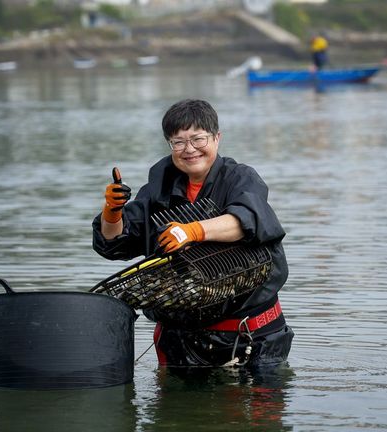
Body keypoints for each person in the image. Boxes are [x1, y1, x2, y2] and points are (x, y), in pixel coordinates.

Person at [92, 99, 293, 368]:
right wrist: (112, 213)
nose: (189, 150)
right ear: (170, 145)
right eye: (178, 142)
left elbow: (248, 220)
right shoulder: (157, 188)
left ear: (217, 138)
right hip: (181, 337)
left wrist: (193, 231)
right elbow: (115, 243)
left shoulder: (240, 178)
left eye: (198, 139)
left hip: (252, 336)